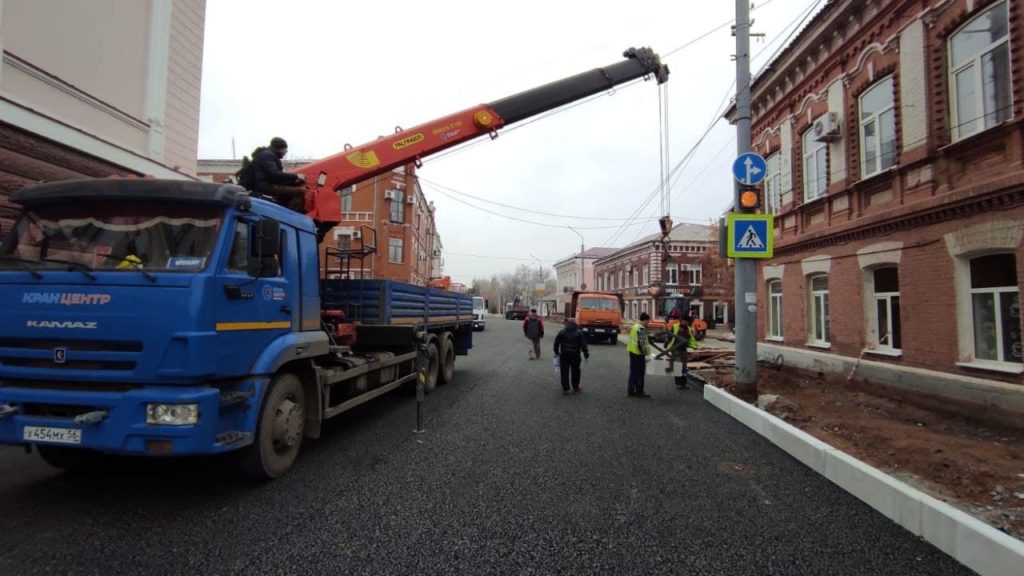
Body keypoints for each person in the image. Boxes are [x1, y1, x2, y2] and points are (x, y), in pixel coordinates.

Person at [251, 137, 307, 212]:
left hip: (265, 184)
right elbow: (275, 175)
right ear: (280, 148)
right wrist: (296, 176)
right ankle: (291, 218)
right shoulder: (268, 155)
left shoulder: (268, 155)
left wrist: (295, 182)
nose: (286, 151)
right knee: (299, 193)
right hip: (265, 186)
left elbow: (277, 178)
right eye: (285, 149)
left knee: (289, 192)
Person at [554, 318, 589, 394]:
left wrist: (556, 352)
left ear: (567, 324)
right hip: (575, 355)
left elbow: (556, 343)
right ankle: (575, 387)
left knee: (564, 372)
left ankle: (566, 389)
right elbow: (583, 345)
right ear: (575, 324)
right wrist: (586, 355)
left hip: (564, 354)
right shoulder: (579, 332)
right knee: (576, 371)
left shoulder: (562, 332)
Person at [665, 312, 694, 389]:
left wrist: (693, 346)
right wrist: (666, 342)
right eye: (685, 321)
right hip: (675, 349)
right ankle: (678, 383)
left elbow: (691, 339)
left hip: (683, 349)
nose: (685, 323)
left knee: (684, 366)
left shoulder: (688, 329)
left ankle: (683, 384)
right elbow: (669, 335)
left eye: (687, 322)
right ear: (682, 320)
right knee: (678, 365)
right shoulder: (675, 327)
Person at [627, 312, 652, 398]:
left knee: (633, 372)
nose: (648, 323)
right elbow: (642, 344)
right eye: (648, 321)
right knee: (640, 373)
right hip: (639, 354)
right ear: (645, 320)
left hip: (632, 352)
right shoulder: (641, 329)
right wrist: (647, 354)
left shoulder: (635, 327)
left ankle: (630, 391)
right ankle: (639, 392)